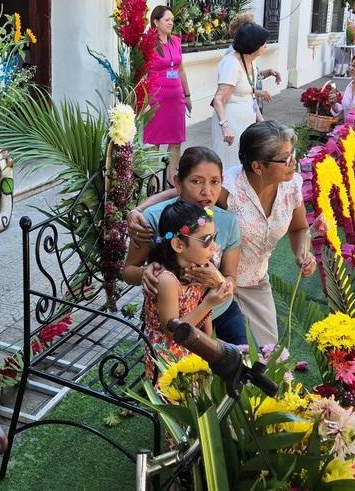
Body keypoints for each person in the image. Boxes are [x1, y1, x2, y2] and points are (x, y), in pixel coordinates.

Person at [131, 121, 317, 345]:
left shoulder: (288, 187)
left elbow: (299, 228)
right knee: (215, 351)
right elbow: (182, 195)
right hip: (202, 294)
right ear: (258, 166)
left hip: (243, 281)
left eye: (292, 154)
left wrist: (302, 254)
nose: (207, 190)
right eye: (285, 158)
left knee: (265, 350)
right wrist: (138, 211)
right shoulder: (228, 186)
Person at [124, 147, 247, 345]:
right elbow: (128, 272)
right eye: (196, 181)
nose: (207, 191)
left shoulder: (228, 221)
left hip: (218, 309)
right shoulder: (153, 218)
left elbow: (231, 277)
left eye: (215, 182)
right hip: (174, 316)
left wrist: (218, 280)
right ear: (178, 183)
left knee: (247, 358)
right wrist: (145, 272)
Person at [141, 200, 232, 376]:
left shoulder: (197, 268)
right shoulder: (167, 280)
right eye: (207, 240)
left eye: (214, 237)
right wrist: (208, 304)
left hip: (192, 345)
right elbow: (172, 331)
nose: (214, 247)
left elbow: (205, 313)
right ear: (178, 245)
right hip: (166, 358)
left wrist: (210, 348)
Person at [142, 6, 191, 184]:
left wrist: (187, 95)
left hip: (176, 98)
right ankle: (153, 184)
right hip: (156, 98)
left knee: (176, 141)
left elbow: (181, 70)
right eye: (167, 20)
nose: (171, 23)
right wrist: (144, 102)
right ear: (156, 22)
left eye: (172, 20)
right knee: (154, 142)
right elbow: (142, 74)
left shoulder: (176, 41)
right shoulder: (148, 44)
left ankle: (173, 182)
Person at [211, 22, 270, 169]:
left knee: (242, 164)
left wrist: (262, 123)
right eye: (263, 43)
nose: (266, 46)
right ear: (254, 44)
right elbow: (219, 99)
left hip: (246, 122)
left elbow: (250, 95)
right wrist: (225, 126)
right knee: (230, 164)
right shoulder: (231, 63)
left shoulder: (251, 62)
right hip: (231, 124)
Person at [226, 12, 282, 115]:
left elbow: (248, 76)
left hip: (251, 106)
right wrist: (257, 92)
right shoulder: (232, 57)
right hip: (240, 110)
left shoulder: (247, 53)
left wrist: (268, 72)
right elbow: (233, 86)